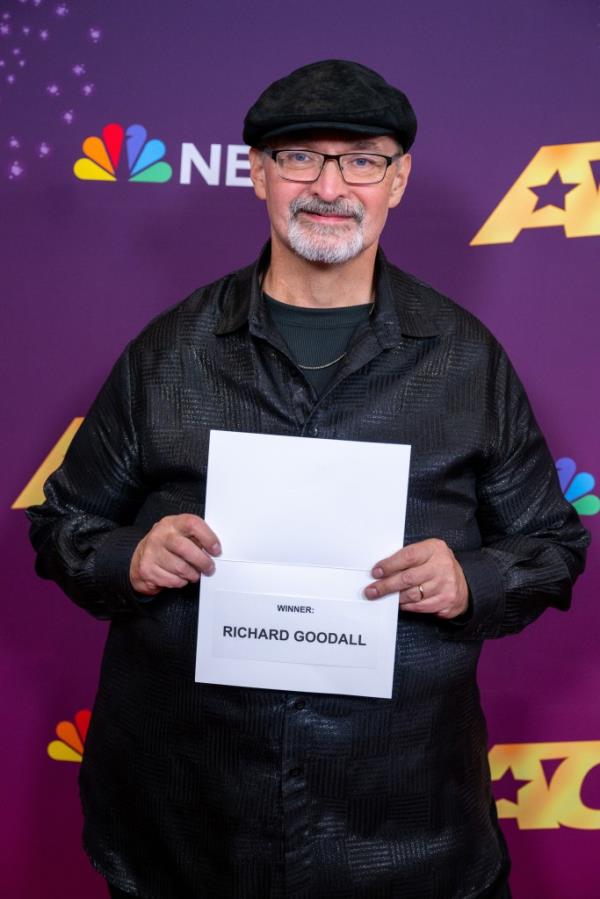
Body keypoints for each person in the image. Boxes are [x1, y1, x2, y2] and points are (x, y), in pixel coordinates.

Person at [28, 60, 588, 899]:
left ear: (396, 181)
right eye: (301, 158)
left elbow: (553, 542)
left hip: (406, 828)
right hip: (188, 820)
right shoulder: (167, 352)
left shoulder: (468, 359)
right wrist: (125, 557)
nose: (330, 185)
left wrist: (470, 577)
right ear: (257, 173)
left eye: (361, 159)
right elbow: (63, 520)